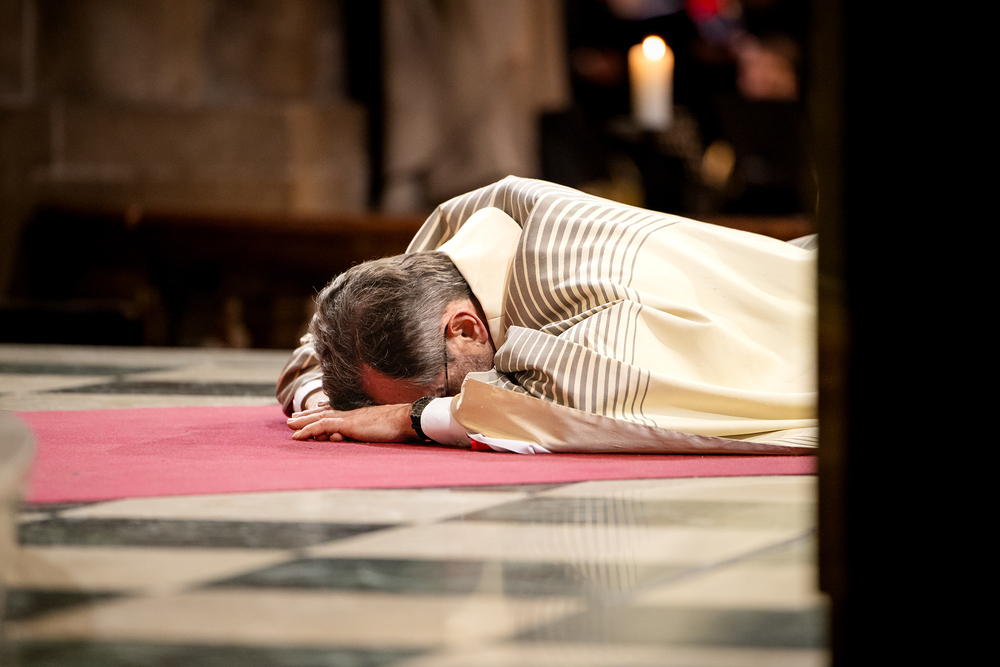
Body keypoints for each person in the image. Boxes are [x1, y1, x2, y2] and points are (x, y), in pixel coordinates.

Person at [280, 176, 817, 454]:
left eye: (436, 391)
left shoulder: (587, 298)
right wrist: (326, 408)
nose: (430, 402)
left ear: (465, 328)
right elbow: (315, 351)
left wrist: (410, 418)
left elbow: (567, 414)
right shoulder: (441, 262)